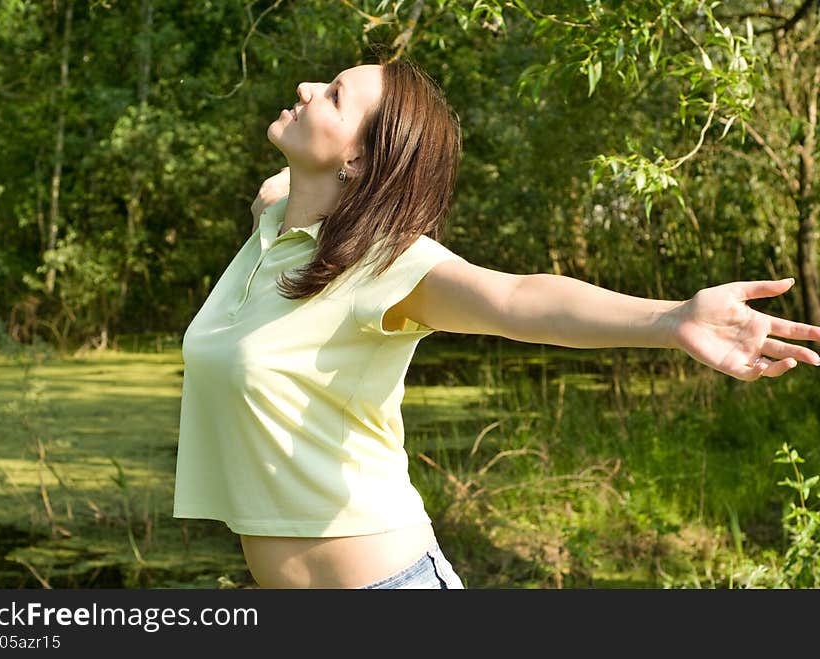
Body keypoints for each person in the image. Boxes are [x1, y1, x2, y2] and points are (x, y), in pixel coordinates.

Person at [172, 58, 820, 589]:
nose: (306, 88)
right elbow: (275, 192)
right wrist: (290, 192)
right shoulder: (274, 227)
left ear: (359, 160)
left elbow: (514, 299)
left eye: (334, 96)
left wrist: (669, 318)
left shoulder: (385, 263)